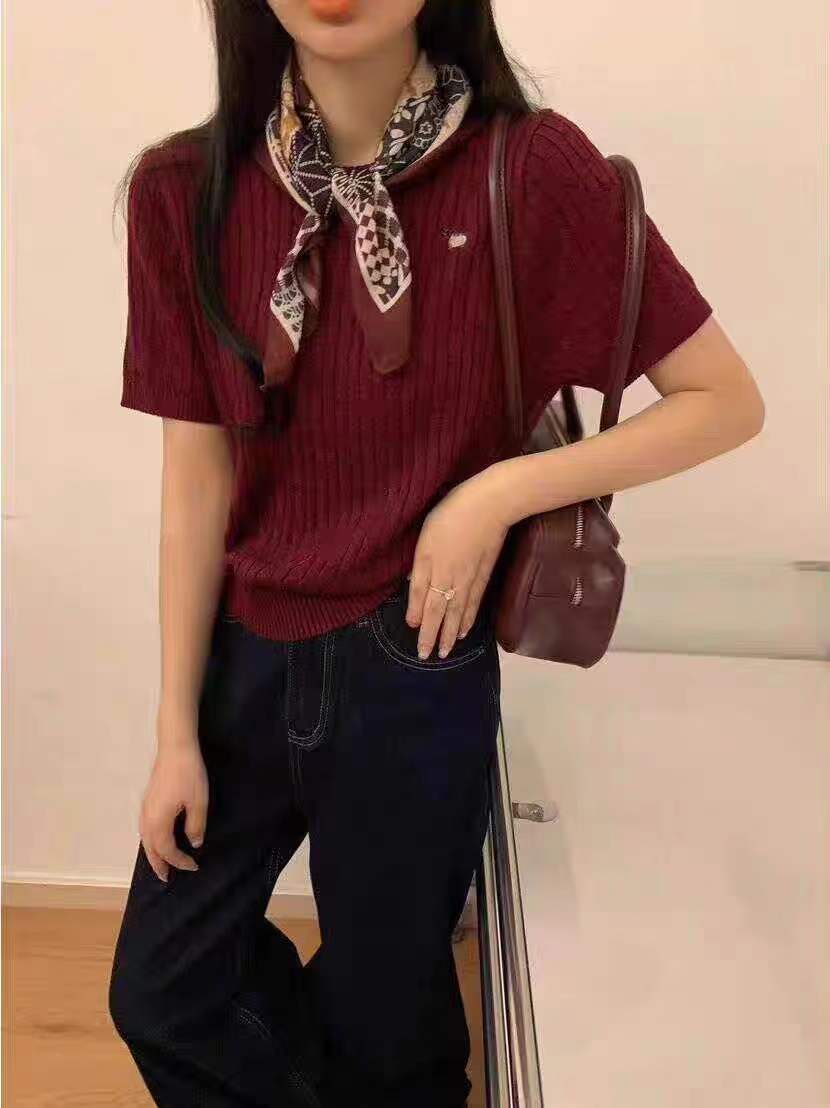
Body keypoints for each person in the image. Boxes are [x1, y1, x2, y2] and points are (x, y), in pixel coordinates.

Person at [107, 1, 765, 1105]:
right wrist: (174, 728)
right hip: (242, 658)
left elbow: (722, 400)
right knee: (165, 993)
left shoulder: (529, 172)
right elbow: (196, 474)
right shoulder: (185, 191)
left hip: (412, 661)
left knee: (389, 1030)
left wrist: (493, 495)